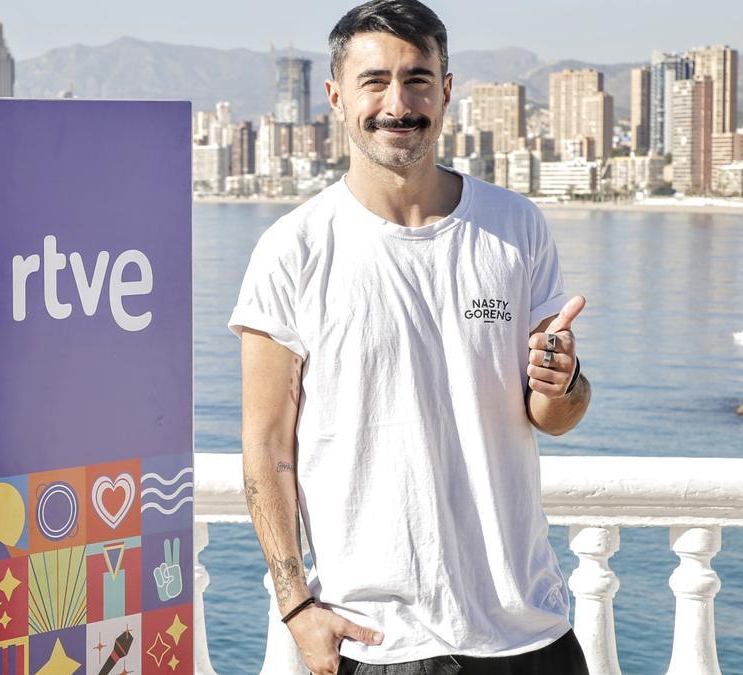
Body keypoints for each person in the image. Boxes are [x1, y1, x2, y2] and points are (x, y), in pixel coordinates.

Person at [227, 1, 593, 673]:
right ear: (336, 97)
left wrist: (563, 382)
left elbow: (555, 415)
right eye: (375, 82)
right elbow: (266, 443)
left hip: (530, 634)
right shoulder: (293, 250)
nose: (399, 103)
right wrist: (296, 605)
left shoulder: (516, 226)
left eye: (418, 78)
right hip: (381, 645)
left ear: (446, 90)